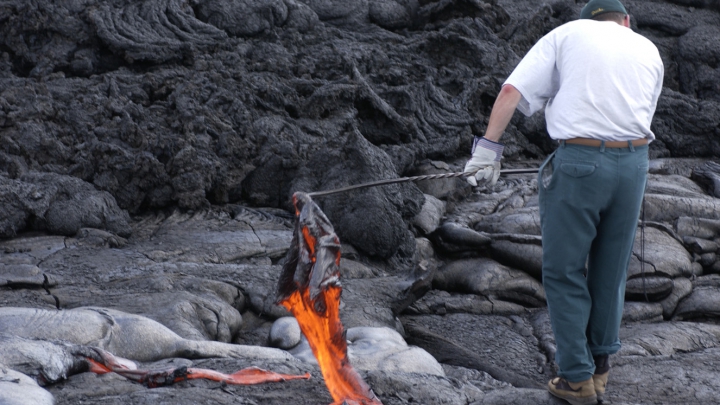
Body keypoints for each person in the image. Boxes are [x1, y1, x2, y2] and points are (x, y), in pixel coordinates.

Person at [463, 0, 664, 404]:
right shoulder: (648, 49)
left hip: (580, 165)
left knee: (564, 270)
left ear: (588, 19)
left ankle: (576, 379)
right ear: (625, 20)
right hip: (635, 165)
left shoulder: (567, 34)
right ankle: (600, 367)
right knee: (611, 270)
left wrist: (487, 151)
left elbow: (511, 90)